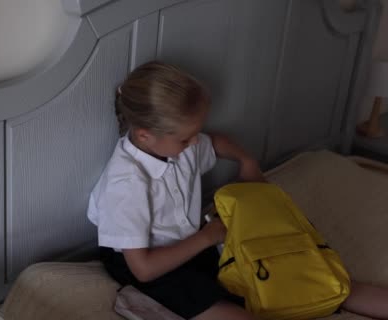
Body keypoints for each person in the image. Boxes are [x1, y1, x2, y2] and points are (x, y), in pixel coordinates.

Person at [86, 61, 388, 319]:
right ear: (144, 136)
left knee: (304, 278)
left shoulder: (173, 144)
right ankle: (152, 305)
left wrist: (246, 161)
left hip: (191, 241)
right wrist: (208, 237)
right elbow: (143, 269)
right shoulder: (126, 184)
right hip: (148, 262)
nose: (195, 144)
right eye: (186, 138)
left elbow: (215, 142)